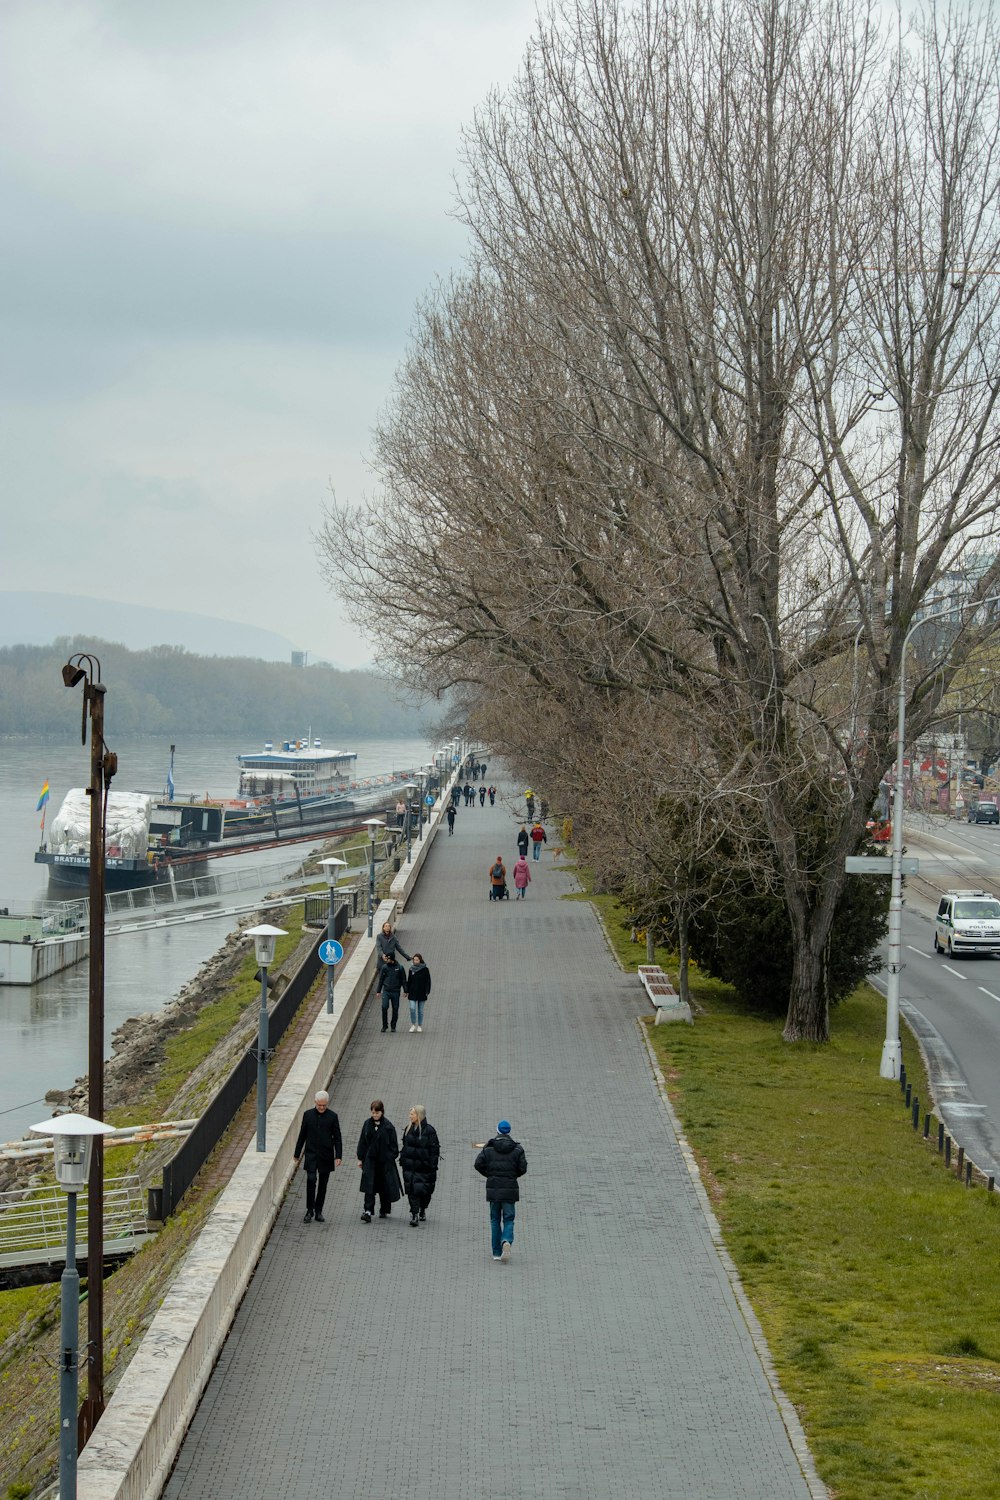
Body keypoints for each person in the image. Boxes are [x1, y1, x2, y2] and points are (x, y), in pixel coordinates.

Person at [474, 1120, 527, 1262]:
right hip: (510, 1189)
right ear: (509, 1133)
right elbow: (523, 1168)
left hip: (494, 1189)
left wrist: (489, 1175)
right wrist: (512, 1176)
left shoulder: (488, 1148)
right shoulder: (517, 1149)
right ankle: (506, 1240)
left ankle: (497, 1252)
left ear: (497, 1131)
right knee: (509, 1219)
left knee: (495, 1220)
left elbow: (478, 1164)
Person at [293, 1089, 343, 1223]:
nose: (321, 1108)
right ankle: (310, 1209)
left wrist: (338, 1155)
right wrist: (297, 1153)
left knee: (323, 1184)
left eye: (324, 1105)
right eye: (319, 1105)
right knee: (311, 1179)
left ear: (327, 1103)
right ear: (315, 1102)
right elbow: (302, 1135)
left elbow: (337, 1137)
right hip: (311, 1154)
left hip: (326, 1155)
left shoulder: (332, 1117)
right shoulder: (308, 1115)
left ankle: (319, 1210)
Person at [357, 1101, 402, 1221]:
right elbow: (362, 1142)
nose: (375, 1115)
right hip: (370, 1161)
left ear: (382, 1112)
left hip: (384, 1162)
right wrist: (360, 1158)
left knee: (384, 1186)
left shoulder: (388, 1127)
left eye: (377, 1112)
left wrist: (389, 1158)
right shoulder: (367, 1124)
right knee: (369, 1186)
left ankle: (384, 1209)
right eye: (373, 1112)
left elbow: (394, 1147)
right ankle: (367, 1211)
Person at [399, 1105, 440, 1226]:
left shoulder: (430, 1131)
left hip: (424, 1168)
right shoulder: (408, 1129)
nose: (410, 1116)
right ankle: (414, 1214)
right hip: (410, 1168)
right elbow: (405, 1146)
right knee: (412, 1191)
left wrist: (432, 1165)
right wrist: (403, 1160)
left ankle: (423, 1209)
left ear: (419, 1116)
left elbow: (434, 1150)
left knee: (425, 1192)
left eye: (412, 1114)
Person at [376, 952, 407, 1032]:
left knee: (395, 1009)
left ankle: (393, 1026)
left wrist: (405, 990)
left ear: (392, 959)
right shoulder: (384, 967)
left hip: (396, 991)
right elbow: (381, 980)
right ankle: (384, 1025)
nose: (386, 960)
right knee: (384, 1007)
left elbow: (403, 980)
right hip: (386, 991)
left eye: (388, 958)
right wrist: (378, 991)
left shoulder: (400, 968)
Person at [407, 951, 431, 1031]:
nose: (415, 961)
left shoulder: (425, 970)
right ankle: (413, 1024)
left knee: (420, 1011)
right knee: (412, 1008)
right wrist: (406, 990)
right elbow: (409, 980)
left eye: (417, 960)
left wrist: (427, 991)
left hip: (422, 992)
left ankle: (419, 1025)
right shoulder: (411, 969)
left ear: (420, 960)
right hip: (412, 992)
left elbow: (428, 981)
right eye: (414, 960)